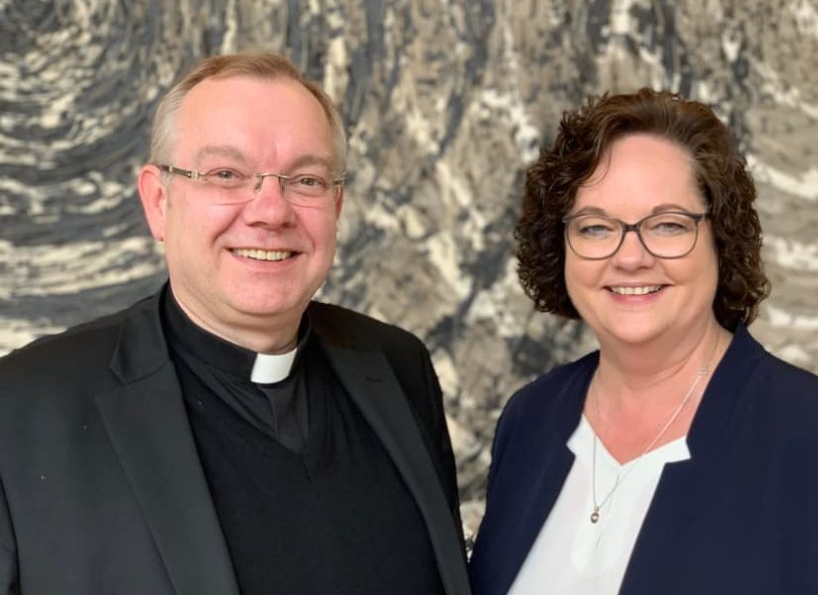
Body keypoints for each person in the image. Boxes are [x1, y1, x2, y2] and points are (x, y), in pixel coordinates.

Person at [0, 53, 471, 595]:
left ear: (336, 204)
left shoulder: (397, 368)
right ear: (159, 201)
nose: (271, 211)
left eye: (306, 179)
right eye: (226, 174)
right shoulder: (23, 409)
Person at [468, 89, 818, 594]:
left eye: (668, 225)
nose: (630, 257)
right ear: (560, 245)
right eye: (595, 227)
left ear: (721, 238)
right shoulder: (530, 421)